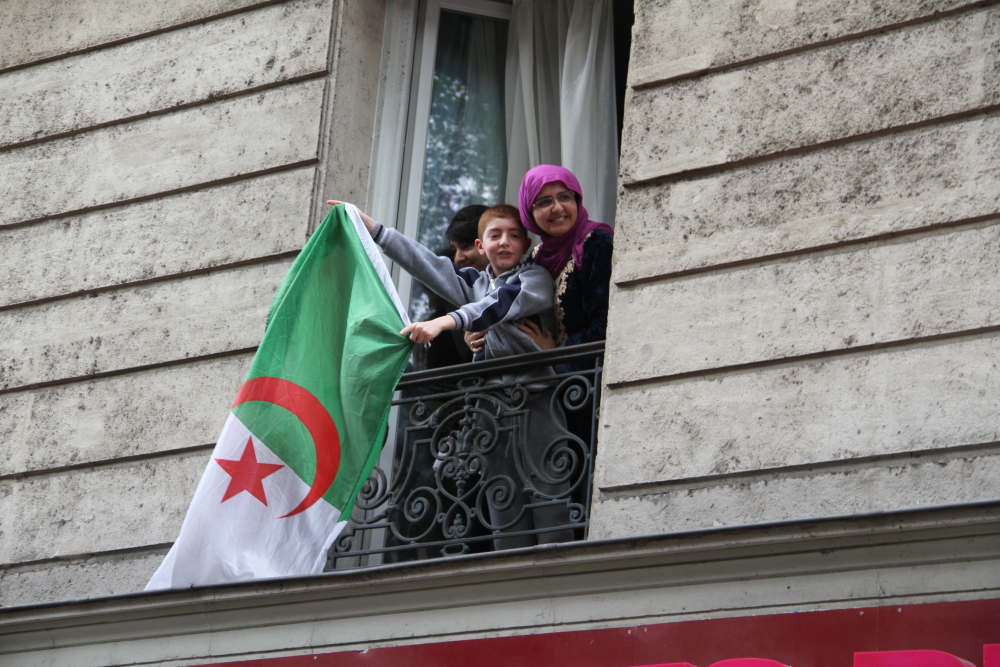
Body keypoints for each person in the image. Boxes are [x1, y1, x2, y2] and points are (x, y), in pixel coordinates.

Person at [466, 165, 613, 356]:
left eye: (565, 197)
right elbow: (513, 310)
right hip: (547, 378)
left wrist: (557, 354)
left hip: (589, 376)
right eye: (544, 202)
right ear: (529, 213)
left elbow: (608, 323)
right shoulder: (537, 257)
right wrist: (478, 329)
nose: (558, 208)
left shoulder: (596, 243)